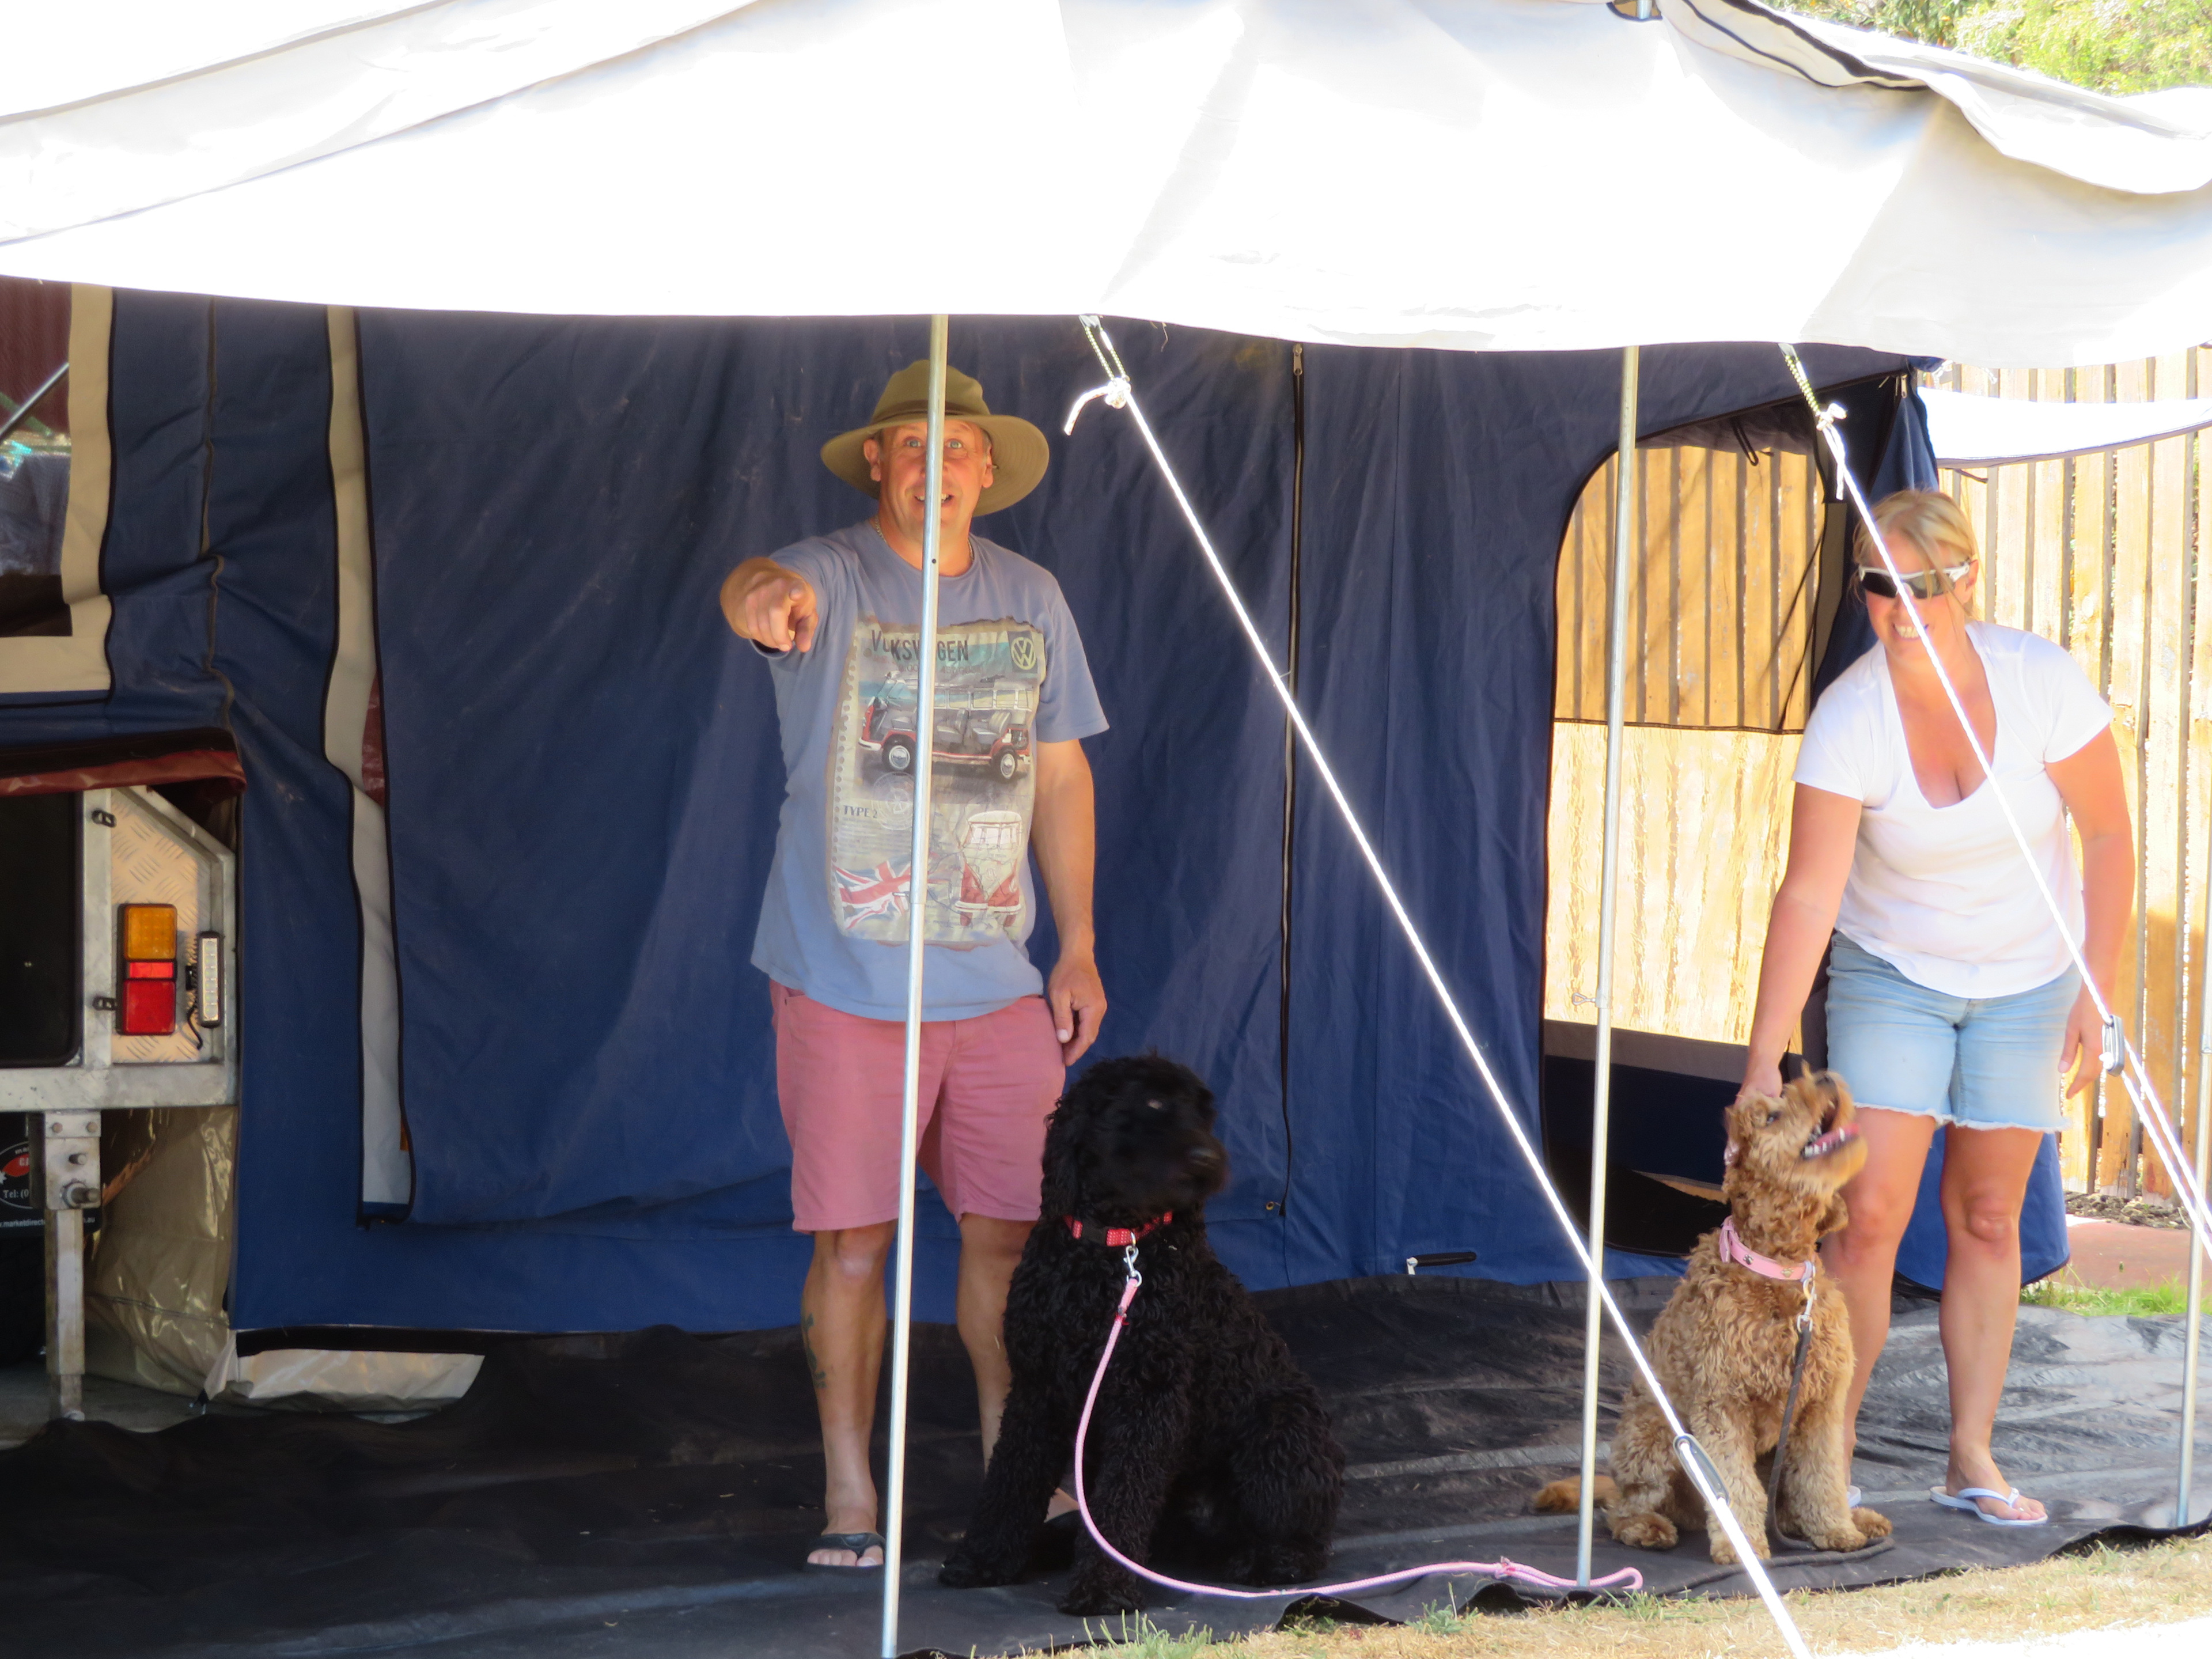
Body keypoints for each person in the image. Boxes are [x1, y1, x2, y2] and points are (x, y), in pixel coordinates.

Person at [721, 361, 1109, 1569]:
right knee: (855, 1242)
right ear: (878, 466)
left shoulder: (1031, 596)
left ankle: (1020, 1478)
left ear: (984, 468)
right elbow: (752, 586)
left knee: (1011, 1236)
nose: (934, 465)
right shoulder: (828, 577)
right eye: (909, 446)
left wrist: (1078, 945)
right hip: (844, 980)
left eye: (957, 447)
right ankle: (851, 1496)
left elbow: (1059, 774)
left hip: (994, 979)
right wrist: (759, 597)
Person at [1737, 490, 2131, 1528]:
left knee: (1991, 1216)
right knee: (1868, 1219)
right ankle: (1829, 1456)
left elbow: (2109, 841)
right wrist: (1762, 1057)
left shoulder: (2041, 682)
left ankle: (1971, 1455)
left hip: (2027, 975)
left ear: (1967, 579)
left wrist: (2098, 985)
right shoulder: (1851, 715)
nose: (1900, 606)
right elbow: (1810, 894)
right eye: (1879, 586)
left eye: (1924, 584)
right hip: (1893, 973)